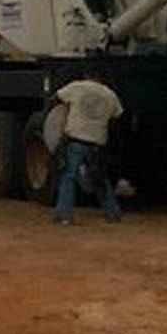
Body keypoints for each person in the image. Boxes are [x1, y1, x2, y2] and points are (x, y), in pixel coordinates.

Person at [52, 72, 125, 224]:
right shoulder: (109, 94)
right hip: (97, 143)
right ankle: (113, 213)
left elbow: (56, 98)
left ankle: (63, 214)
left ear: (87, 76)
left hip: (76, 140)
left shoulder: (77, 87)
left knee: (69, 176)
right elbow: (117, 115)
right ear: (101, 79)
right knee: (99, 177)